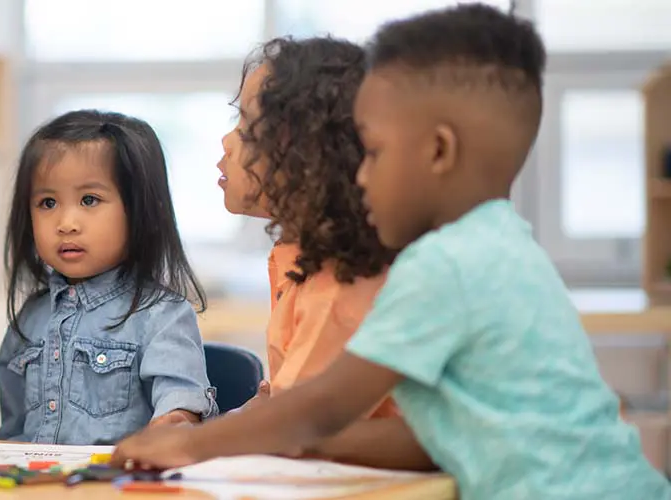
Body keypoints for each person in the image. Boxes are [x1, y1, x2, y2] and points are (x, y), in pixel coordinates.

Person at [111, 4, 671, 499]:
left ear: (437, 152)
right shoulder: (501, 245)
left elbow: (322, 407)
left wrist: (194, 447)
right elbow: (436, 434)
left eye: (373, 152)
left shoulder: (444, 264)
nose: (360, 172)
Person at [219, 36, 432, 471]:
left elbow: (296, 433)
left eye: (244, 126)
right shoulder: (302, 260)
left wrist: (196, 443)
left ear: (303, 155)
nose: (227, 142)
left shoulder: (342, 284)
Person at [0, 110, 218, 445]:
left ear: (140, 210)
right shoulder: (29, 317)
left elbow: (180, 407)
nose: (66, 222)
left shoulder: (162, 316)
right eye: (47, 202)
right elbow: (13, 430)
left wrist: (177, 423)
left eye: (89, 200)